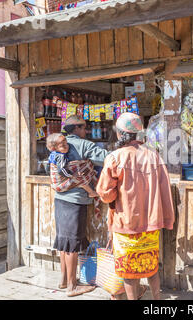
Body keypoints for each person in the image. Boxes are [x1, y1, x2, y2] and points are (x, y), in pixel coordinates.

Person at [96, 112, 175, 300]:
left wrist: (117, 197)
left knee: (129, 272)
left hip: (126, 224)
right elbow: (165, 190)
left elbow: (105, 193)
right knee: (151, 267)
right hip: (151, 223)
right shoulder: (153, 156)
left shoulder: (114, 157)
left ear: (120, 134)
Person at [51, 115, 108, 297]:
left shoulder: (57, 146)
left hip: (60, 199)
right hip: (75, 202)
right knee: (73, 244)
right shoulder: (84, 145)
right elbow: (107, 158)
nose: (86, 131)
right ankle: (72, 286)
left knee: (64, 242)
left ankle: (63, 280)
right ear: (76, 128)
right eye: (84, 127)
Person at [46, 133, 99, 198]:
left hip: (56, 184)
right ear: (54, 148)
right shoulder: (60, 156)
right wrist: (72, 175)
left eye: (66, 144)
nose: (67, 147)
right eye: (63, 146)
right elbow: (61, 170)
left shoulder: (53, 154)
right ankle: (91, 192)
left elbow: (47, 167)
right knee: (79, 178)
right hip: (59, 185)